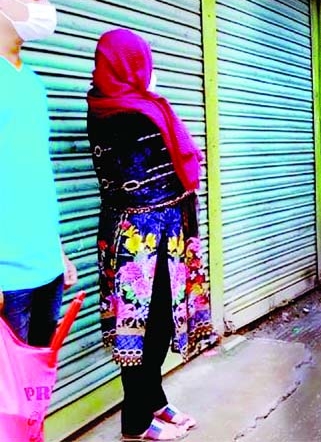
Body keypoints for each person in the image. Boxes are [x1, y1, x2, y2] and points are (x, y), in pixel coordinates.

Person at [87, 28, 217, 441]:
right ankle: (136, 422)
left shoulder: (108, 104)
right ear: (129, 64)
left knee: (148, 325)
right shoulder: (131, 114)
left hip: (141, 234)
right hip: (142, 242)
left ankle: (154, 399)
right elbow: (164, 173)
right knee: (148, 328)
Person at [0, 0, 77, 346]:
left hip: (45, 270)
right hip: (7, 278)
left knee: (34, 391)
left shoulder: (31, 81)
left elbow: (33, 174)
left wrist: (57, 251)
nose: (46, 7)